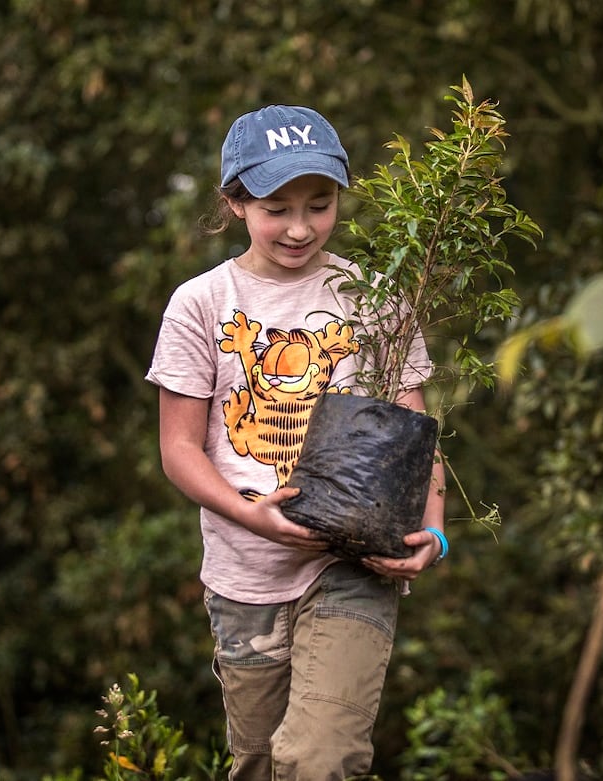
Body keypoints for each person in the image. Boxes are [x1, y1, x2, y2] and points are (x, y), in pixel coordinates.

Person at [145, 104, 447, 781]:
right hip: (245, 575)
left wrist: (435, 530)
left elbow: (417, 435)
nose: (301, 227)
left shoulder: (373, 298)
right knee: (258, 763)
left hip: (352, 560)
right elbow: (179, 449)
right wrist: (251, 512)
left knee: (317, 760)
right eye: (277, 207)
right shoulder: (201, 302)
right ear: (235, 202)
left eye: (320, 204)